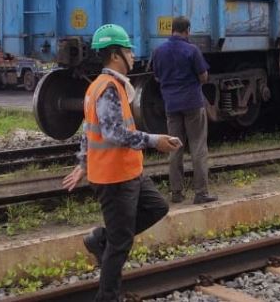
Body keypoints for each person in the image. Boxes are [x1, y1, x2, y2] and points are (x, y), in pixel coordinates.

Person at [62, 23, 181, 302]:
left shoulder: (103, 86)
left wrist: (82, 162)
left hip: (130, 173)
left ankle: (100, 238)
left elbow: (87, 132)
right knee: (120, 245)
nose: (132, 54)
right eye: (128, 49)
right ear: (116, 54)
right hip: (114, 179)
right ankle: (108, 297)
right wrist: (155, 141)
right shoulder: (108, 88)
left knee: (157, 207)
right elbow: (114, 133)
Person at [151, 16, 217, 204]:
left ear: (172, 30)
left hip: (171, 105)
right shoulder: (192, 50)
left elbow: (156, 77)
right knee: (198, 147)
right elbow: (203, 76)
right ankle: (201, 193)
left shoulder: (158, 51)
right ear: (187, 30)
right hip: (193, 104)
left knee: (175, 148)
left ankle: (176, 193)